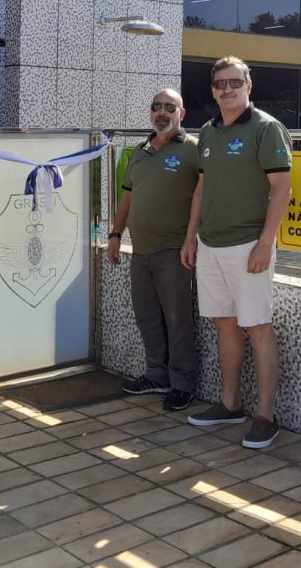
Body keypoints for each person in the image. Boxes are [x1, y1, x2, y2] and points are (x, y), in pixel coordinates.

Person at [182, 55, 293, 450]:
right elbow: (201, 188)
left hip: (248, 246)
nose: (226, 90)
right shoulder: (209, 132)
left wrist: (265, 243)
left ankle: (265, 416)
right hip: (210, 246)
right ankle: (230, 404)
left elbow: (282, 189)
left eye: (233, 82)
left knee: (257, 328)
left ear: (249, 85)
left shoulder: (266, 129)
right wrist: (190, 236)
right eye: (218, 84)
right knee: (225, 326)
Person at [107, 88, 200, 411]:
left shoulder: (193, 150)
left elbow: (202, 199)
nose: (162, 112)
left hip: (174, 251)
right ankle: (156, 375)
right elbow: (128, 196)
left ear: (182, 114)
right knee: (147, 316)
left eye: (169, 107)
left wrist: (191, 240)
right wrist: (116, 234)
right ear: (150, 113)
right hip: (141, 249)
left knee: (177, 319)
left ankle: (183, 383)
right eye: (157, 107)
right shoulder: (140, 150)